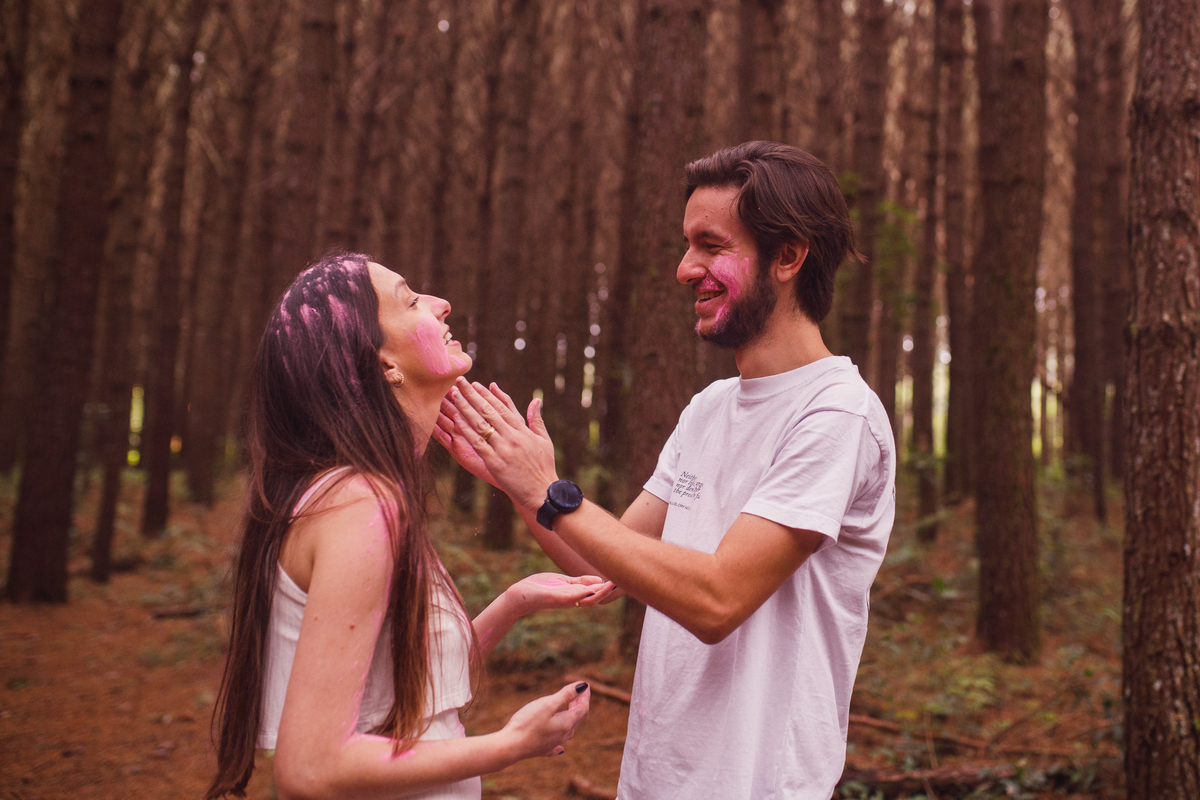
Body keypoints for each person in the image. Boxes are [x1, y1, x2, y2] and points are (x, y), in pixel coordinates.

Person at [437, 141, 896, 799]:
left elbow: (717, 599)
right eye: (687, 246)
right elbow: (603, 565)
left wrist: (551, 490)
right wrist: (520, 483)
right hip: (654, 780)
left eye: (711, 246)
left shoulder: (836, 415)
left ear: (789, 256)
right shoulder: (710, 409)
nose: (686, 269)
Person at [206, 253, 612, 800]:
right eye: (411, 300)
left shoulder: (365, 494)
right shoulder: (361, 504)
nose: (442, 303)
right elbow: (309, 770)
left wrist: (514, 603)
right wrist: (512, 743)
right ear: (383, 363)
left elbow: (405, 686)